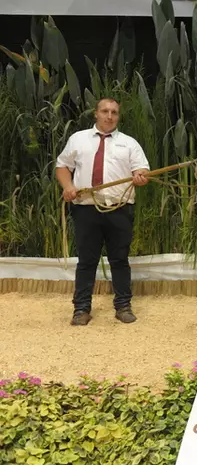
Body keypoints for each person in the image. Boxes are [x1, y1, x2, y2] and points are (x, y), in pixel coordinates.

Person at [55, 97, 150, 326]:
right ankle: (81, 309)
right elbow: (62, 167)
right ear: (96, 114)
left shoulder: (129, 143)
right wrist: (68, 187)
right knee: (87, 261)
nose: (110, 116)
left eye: (114, 112)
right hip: (86, 209)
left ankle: (123, 306)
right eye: (105, 111)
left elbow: (143, 169)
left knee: (120, 259)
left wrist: (140, 177)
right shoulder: (78, 139)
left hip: (119, 209)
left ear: (118, 116)